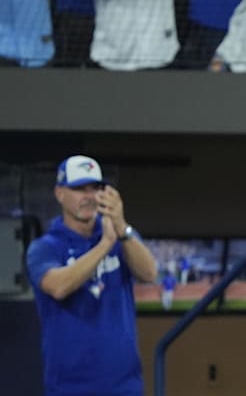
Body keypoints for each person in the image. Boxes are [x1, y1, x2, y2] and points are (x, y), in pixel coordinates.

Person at [25, 154, 158, 396]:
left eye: (94, 188)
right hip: (70, 387)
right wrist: (105, 245)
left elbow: (149, 272)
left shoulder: (120, 234)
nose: (88, 196)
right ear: (60, 194)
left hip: (125, 386)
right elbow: (59, 286)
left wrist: (122, 228)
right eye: (78, 189)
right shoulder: (45, 247)